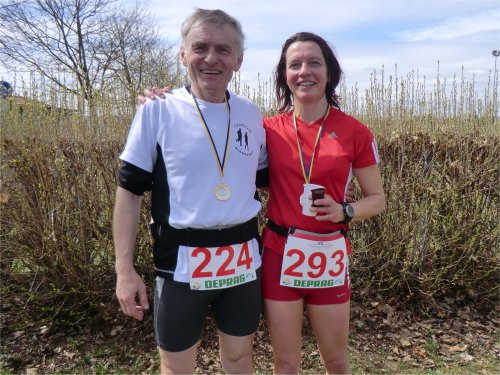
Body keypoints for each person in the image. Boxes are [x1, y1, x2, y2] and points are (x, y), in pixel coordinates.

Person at [113, 8, 269, 374]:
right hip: (180, 264)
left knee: (240, 358)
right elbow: (130, 193)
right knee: (177, 367)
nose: (211, 58)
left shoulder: (250, 113)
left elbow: (265, 179)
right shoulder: (157, 109)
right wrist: (124, 270)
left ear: (239, 60)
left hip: (243, 263)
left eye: (223, 49)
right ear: (183, 55)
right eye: (200, 47)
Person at [261, 32, 385, 374]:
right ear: (284, 75)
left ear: (329, 72)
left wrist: (345, 210)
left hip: (328, 255)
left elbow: (377, 200)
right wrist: (164, 104)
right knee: (285, 364)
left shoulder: (355, 132)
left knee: (336, 361)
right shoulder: (266, 129)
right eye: (294, 64)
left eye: (314, 62)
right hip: (278, 253)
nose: (304, 71)